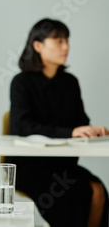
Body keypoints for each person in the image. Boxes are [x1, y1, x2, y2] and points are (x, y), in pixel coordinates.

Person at [8, 18, 109, 227]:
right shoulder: (21, 82)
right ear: (38, 46)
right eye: (58, 41)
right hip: (32, 166)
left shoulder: (70, 82)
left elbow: (80, 122)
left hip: (63, 164)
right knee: (71, 196)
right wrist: (71, 132)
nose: (66, 47)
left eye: (67, 41)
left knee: (98, 190)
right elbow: (22, 127)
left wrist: (92, 130)